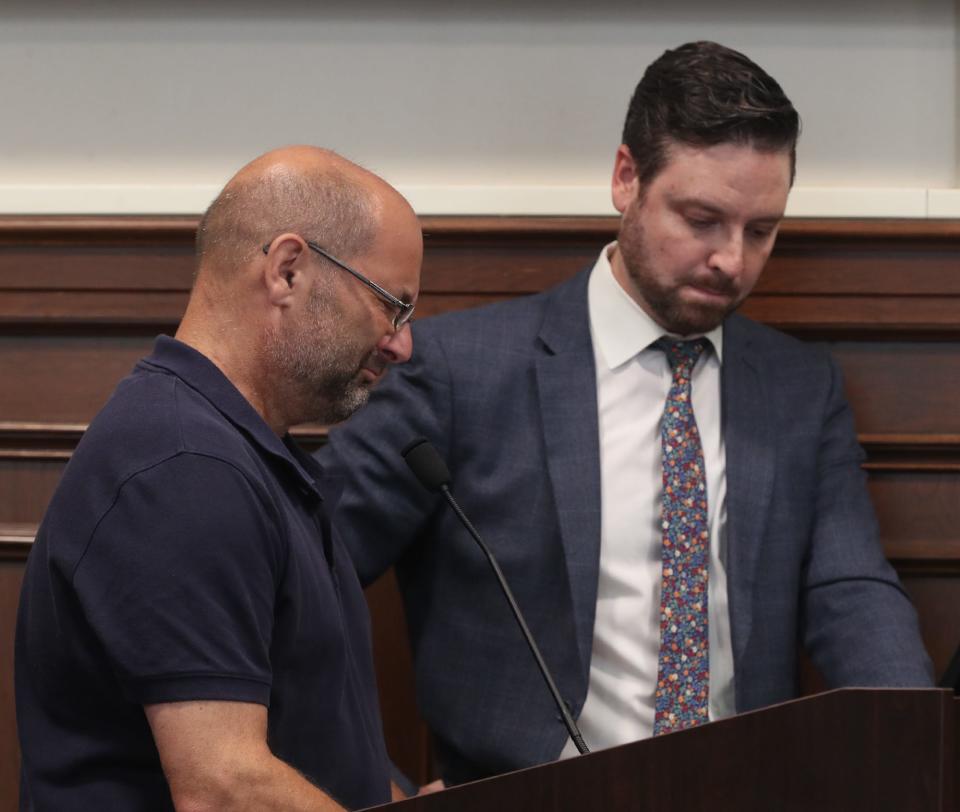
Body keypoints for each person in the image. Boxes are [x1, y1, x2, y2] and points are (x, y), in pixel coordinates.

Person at [319, 41, 933, 786]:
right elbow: (302, 579)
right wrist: (377, 788)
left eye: (762, 230)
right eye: (702, 219)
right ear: (626, 178)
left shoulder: (799, 388)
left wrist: (920, 756)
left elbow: (853, 594)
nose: (732, 261)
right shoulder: (457, 374)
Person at [15, 146, 422, 810]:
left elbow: (309, 742)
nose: (402, 343)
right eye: (392, 306)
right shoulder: (183, 467)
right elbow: (224, 787)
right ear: (288, 271)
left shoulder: (240, 455)